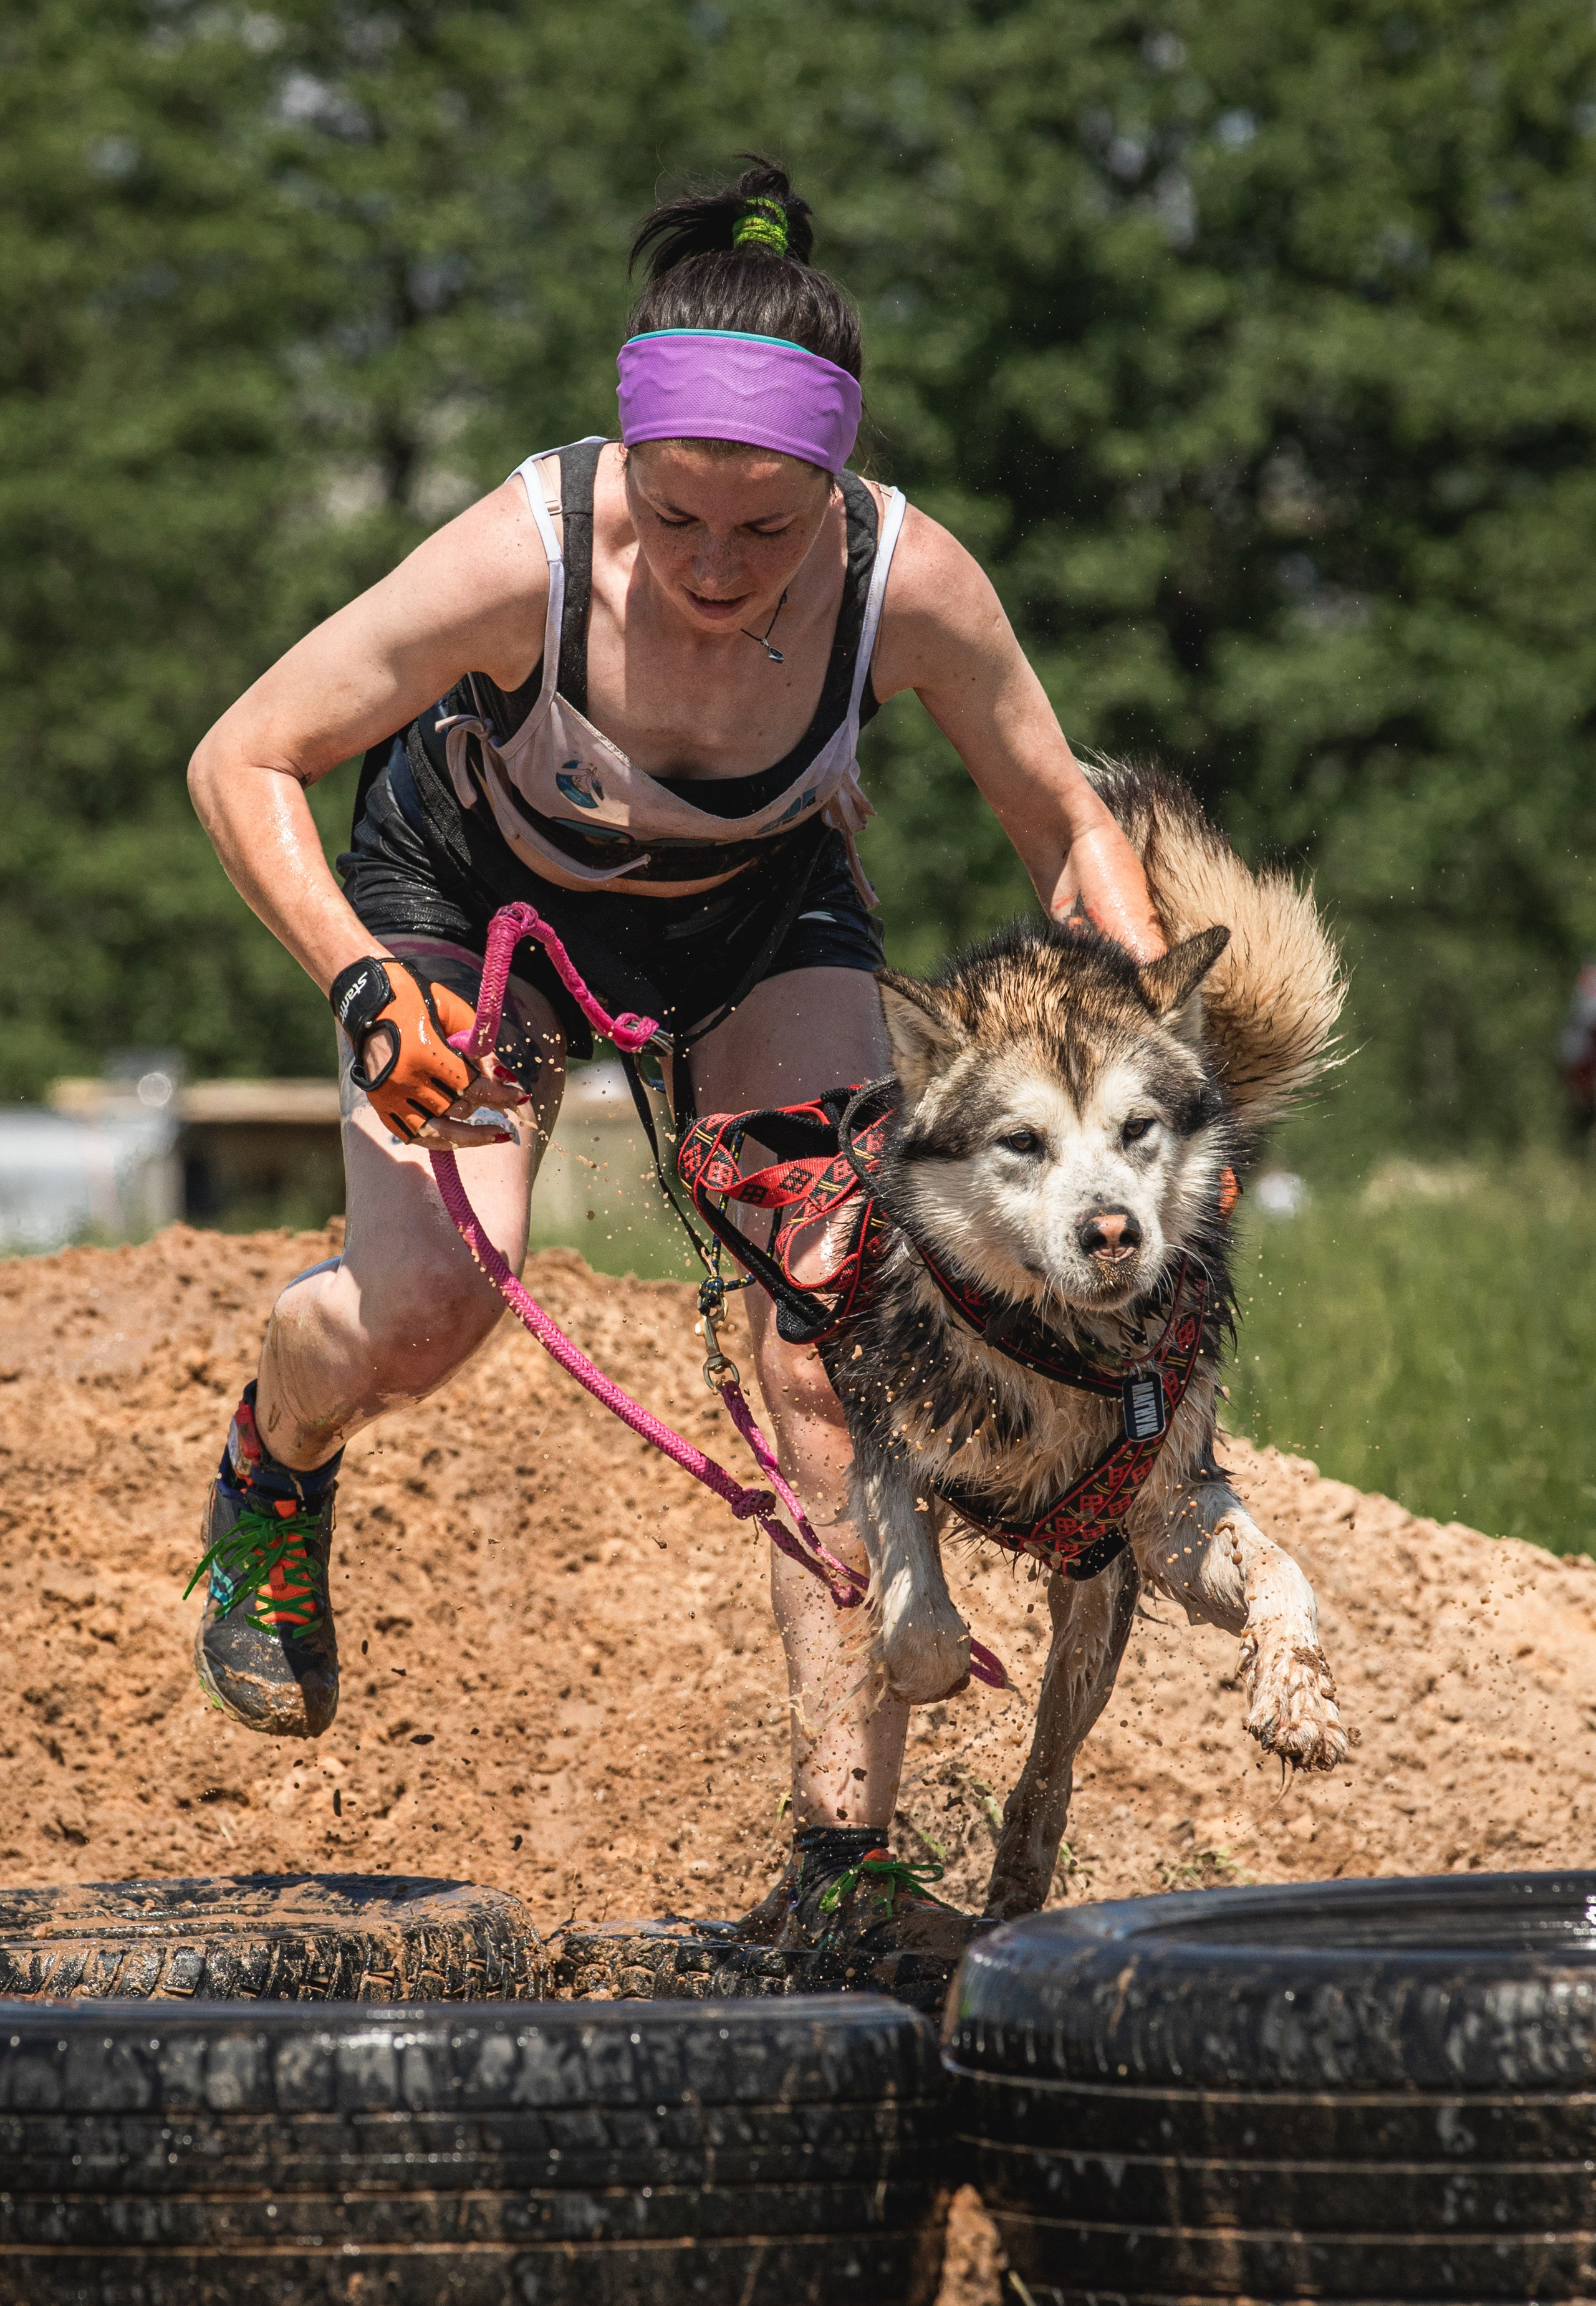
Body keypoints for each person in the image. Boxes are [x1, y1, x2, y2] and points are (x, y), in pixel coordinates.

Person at [185, 156, 1165, 1966]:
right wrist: (355, 986)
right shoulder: (518, 556)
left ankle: (845, 1862)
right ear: (625, 467)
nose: (715, 571)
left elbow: (1066, 824)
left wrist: (1158, 1071)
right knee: (423, 1315)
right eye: (678, 519)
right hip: (465, 906)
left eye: (766, 531)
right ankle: (272, 1451)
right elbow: (243, 755)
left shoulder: (911, 580)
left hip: (754, 909)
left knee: (833, 1341)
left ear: (835, 492)